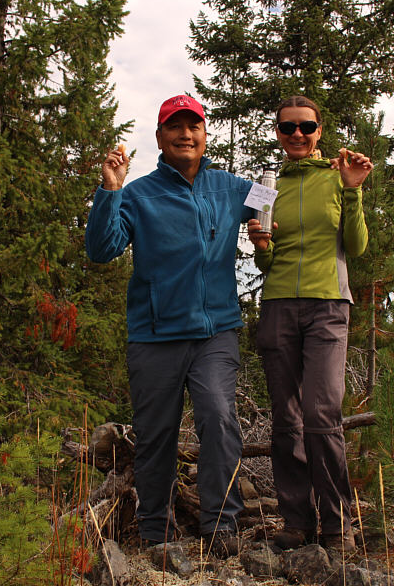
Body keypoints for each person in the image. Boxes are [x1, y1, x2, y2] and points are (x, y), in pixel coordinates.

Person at [85, 94, 254, 558]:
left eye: (193, 126)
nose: (186, 134)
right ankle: (155, 530)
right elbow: (101, 249)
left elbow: (277, 203)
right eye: (175, 127)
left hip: (215, 331)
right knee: (156, 434)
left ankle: (221, 523)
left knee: (219, 416)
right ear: (160, 138)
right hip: (154, 335)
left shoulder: (232, 187)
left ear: (205, 134)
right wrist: (110, 190)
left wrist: (313, 175)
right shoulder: (137, 194)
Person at [247, 95, 373, 553]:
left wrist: (354, 189)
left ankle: (338, 527)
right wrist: (261, 245)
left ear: (319, 131)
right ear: (277, 133)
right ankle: (296, 522)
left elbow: (356, 247)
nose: (297, 135)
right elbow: (265, 262)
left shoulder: (338, 177)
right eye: (287, 128)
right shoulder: (265, 186)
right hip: (278, 304)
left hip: (328, 305)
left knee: (322, 414)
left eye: (306, 127)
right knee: (286, 419)